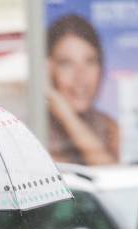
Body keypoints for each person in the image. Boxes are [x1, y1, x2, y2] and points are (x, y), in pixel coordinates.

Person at [46, 13, 120, 166]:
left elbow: (111, 174)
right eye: (66, 63)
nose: (80, 77)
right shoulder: (33, 128)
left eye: (90, 62)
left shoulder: (109, 127)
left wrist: (67, 117)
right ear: (48, 69)